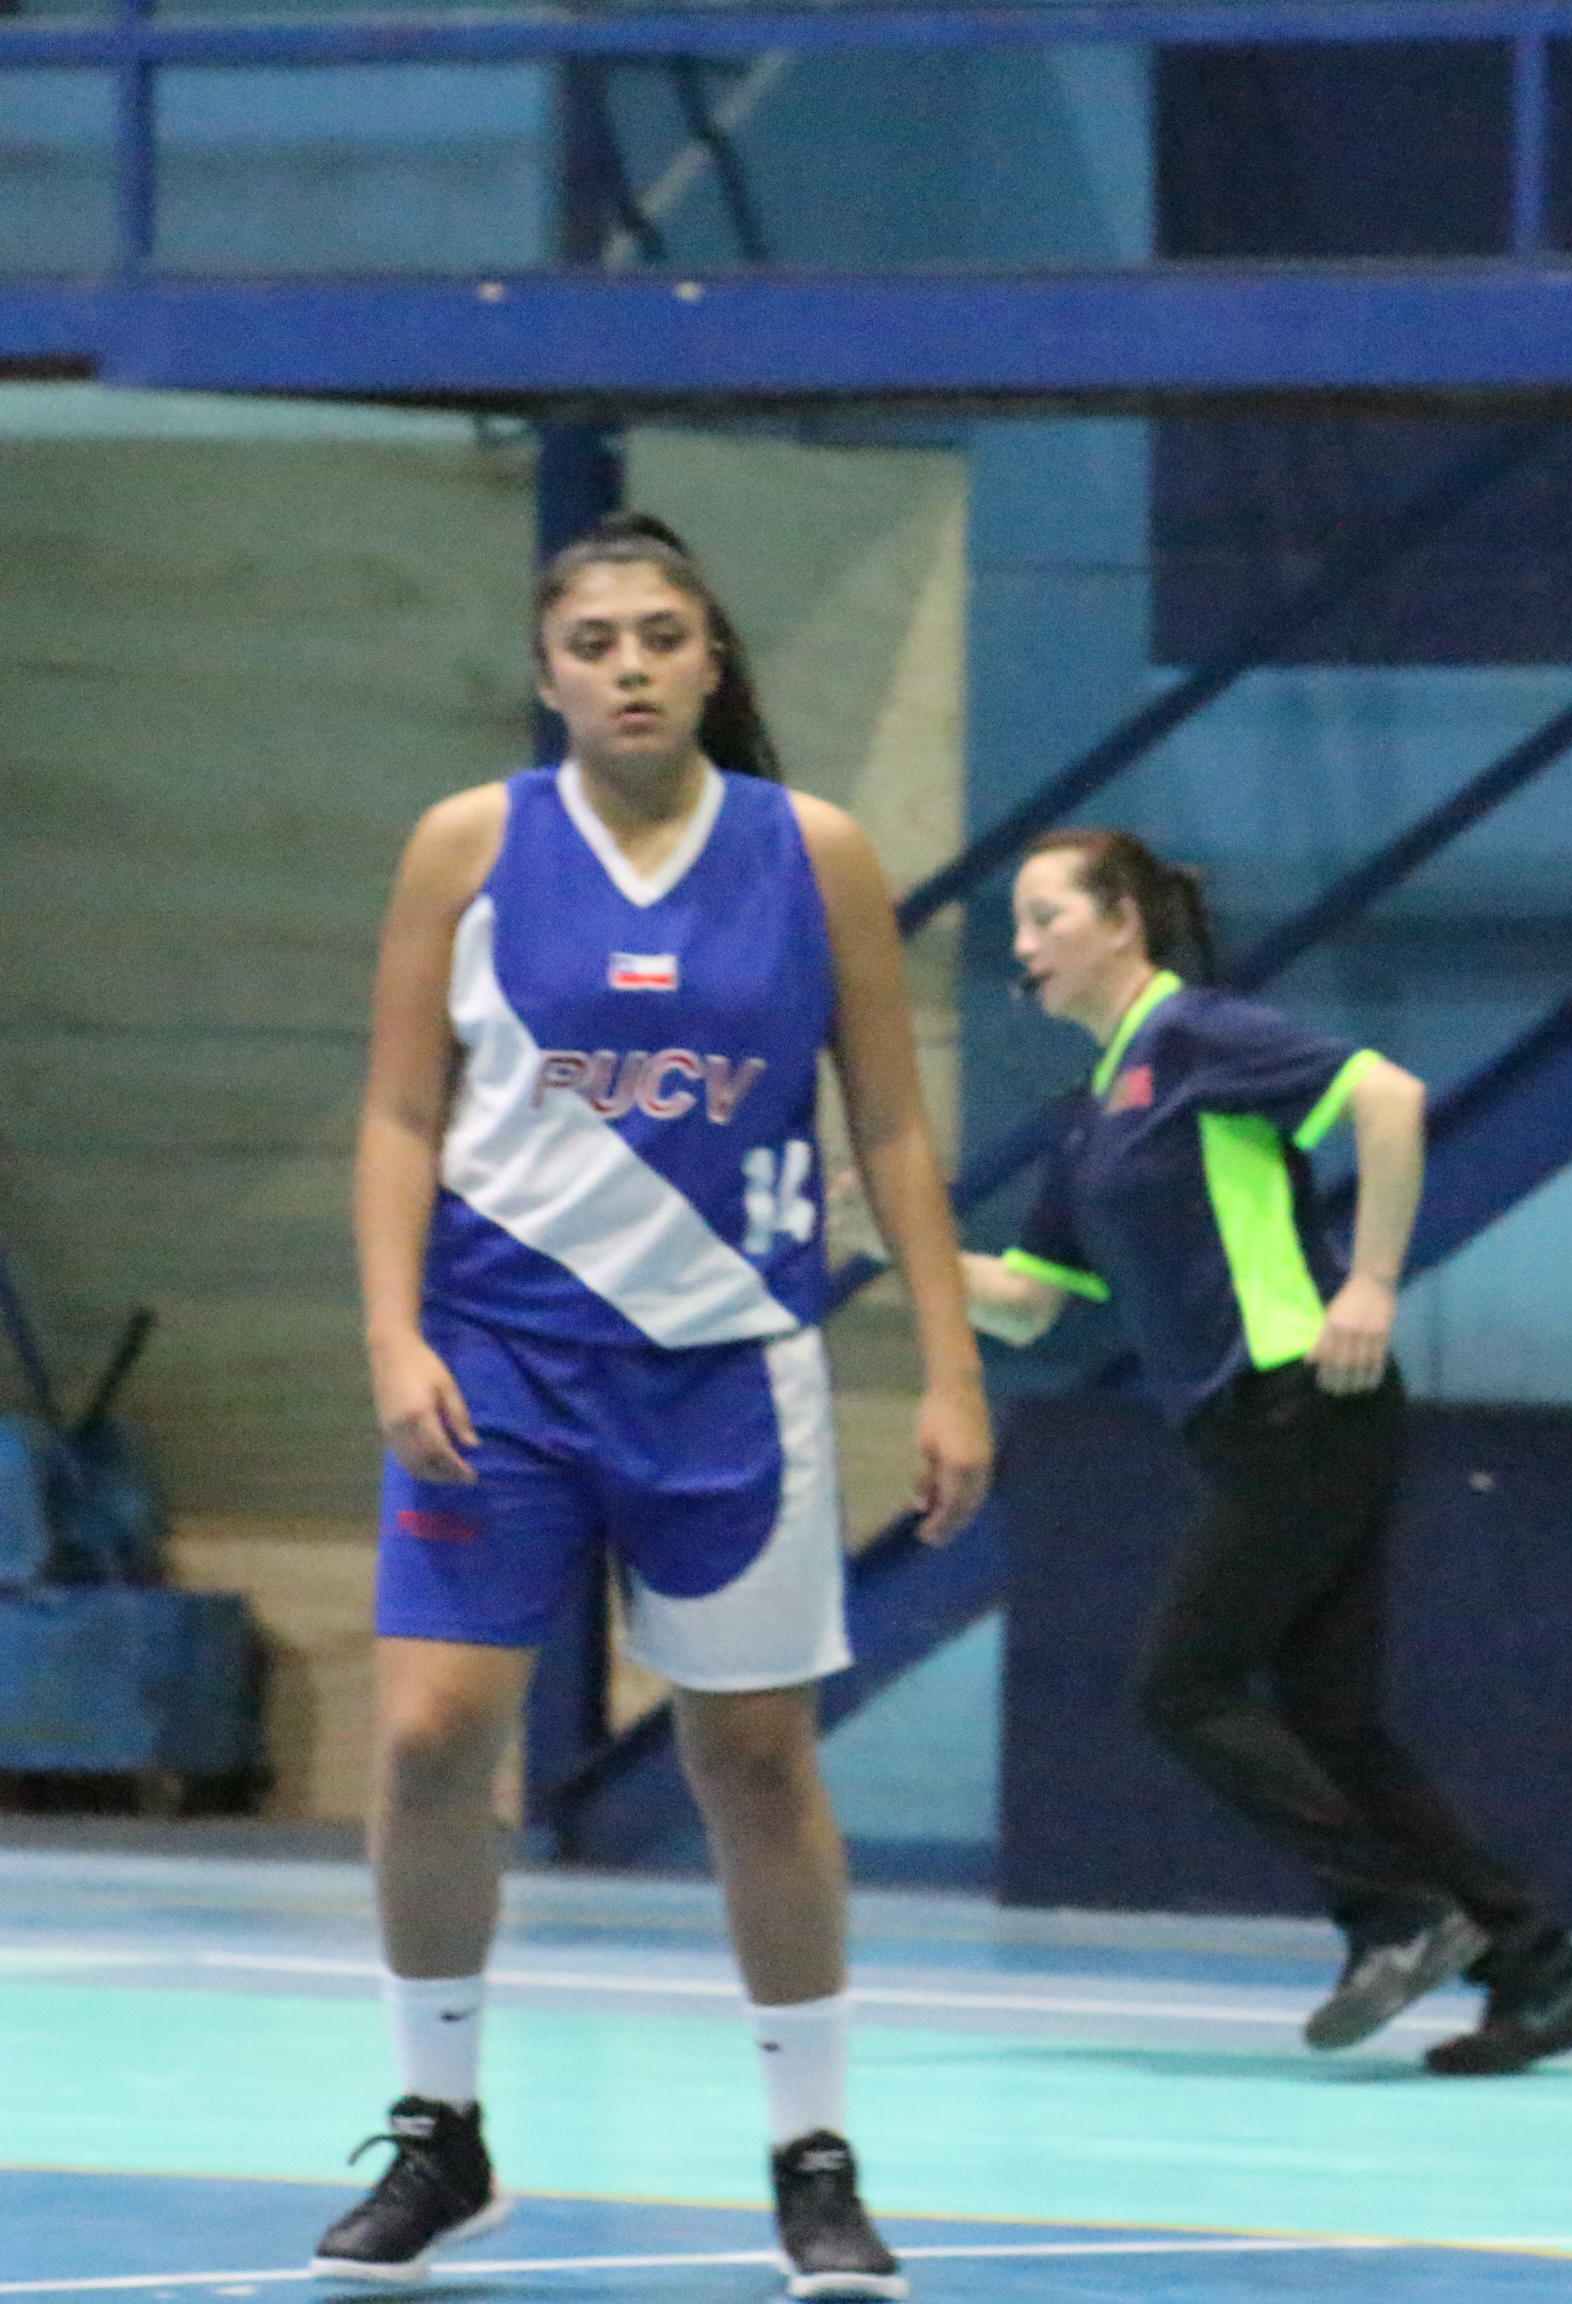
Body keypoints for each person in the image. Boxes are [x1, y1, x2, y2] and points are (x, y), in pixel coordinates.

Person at [320, 513, 993, 2296]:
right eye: (595, 639)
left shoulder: (811, 852)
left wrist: (949, 1366)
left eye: (662, 636)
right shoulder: (468, 844)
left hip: (728, 1373)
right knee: (426, 1736)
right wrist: (391, 1336)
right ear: (547, 672)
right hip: (499, 1361)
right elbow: (399, 1113)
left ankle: (812, 2157)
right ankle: (440, 2127)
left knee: (754, 1761)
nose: (630, 665)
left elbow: (891, 1122)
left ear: (712, 660)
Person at [958, 828, 1572, 2076]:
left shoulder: (1194, 1036)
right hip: (1246, 1430)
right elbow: (1025, 1302)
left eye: (1047, 917)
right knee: (1327, 1716)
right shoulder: (1094, 1118)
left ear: (1122, 922)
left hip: (1306, 1397)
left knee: (1185, 1686)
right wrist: (884, 1238)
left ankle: (1395, 1917)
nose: (1023, 945)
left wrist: (1370, 1282)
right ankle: (1543, 1972)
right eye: (1017, 924)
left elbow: (1389, 1098)